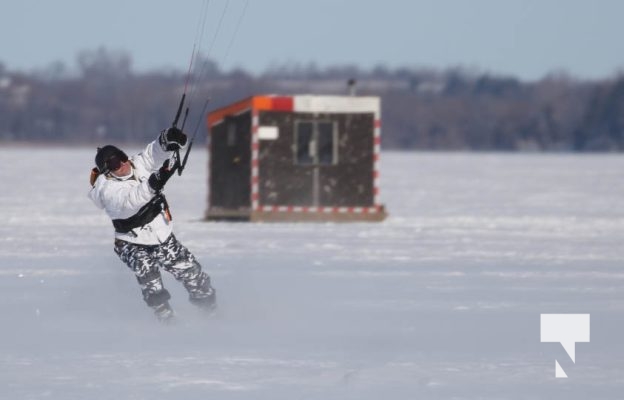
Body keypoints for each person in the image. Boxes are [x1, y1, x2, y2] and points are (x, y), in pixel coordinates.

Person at [88, 127, 216, 322]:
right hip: (131, 243)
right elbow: (132, 200)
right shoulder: (107, 190)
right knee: (151, 281)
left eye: (121, 156)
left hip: (161, 235)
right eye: (114, 163)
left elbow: (152, 154)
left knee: (193, 275)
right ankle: (166, 321)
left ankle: (211, 313)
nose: (122, 163)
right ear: (107, 171)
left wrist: (167, 140)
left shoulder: (135, 164)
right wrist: (155, 182)